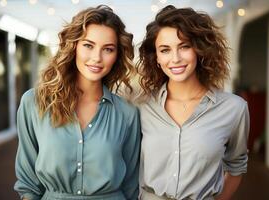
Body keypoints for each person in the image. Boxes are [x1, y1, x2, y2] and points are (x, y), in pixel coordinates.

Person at [14, 5, 140, 200]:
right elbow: (28, 182)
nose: (97, 58)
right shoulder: (34, 103)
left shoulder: (127, 113)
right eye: (88, 45)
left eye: (108, 49)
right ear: (73, 46)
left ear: (117, 56)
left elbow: (131, 185)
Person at [137, 5, 249, 200]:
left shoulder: (234, 108)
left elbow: (236, 166)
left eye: (185, 46)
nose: (175, 58)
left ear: (199, 49)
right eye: (165, 50)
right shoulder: (142, 107)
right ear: (156, 58)